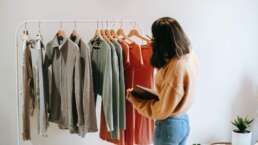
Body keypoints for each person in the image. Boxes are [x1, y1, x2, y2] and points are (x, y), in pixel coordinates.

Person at [127, 17, 198, 145]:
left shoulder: (175, 67)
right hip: (183, 121)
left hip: (169, 127)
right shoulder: (189, 55)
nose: (153, 40)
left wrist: (135, 100)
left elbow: (161, 111)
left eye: (155, 37)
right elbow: (175, 94)